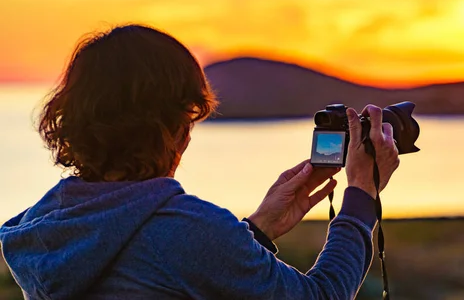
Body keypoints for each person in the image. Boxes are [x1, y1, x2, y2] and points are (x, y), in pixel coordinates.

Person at [0, 24, 400, 300]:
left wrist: (256, 231)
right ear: (174, 125)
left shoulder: (46, 227)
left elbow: (151, 273)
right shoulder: (185, 230)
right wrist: (362, 195)